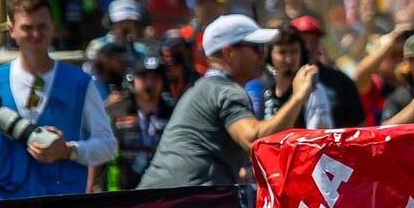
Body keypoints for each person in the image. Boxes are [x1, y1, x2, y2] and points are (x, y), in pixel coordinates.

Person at [0, 1, 118, 201]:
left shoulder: (80, 84)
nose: (36, 34)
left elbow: (108, 146)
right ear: (12, 30)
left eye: (42, 26)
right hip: (4, 207)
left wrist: (68, 150)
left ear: (53, 27)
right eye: (27, 27)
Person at [139, 15, 318, 189]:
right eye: (256, 48)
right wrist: (298, 97)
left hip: (162, 202)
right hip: (180, 204)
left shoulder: (204, 87)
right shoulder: (226, 90)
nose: (263, 54)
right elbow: (255, 141)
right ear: (229, 52)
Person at [285, 13, 367, 126]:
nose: (308, 47)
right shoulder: (281, 84)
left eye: (313, 41)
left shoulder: (340, 81)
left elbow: (359, 125)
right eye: (303, 41)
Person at [250, 27, 337, 130]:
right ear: (269, 55)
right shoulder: (267, 90)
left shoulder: (311, 89)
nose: (289, 59)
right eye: (282, 52)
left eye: (294, 52)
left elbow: (319, 134)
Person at [108, 57, 171, 193]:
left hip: (162, 192)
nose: (149, 83)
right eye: (143, 77)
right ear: (133, 79)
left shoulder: (174, 114)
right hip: (122, 193)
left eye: (155, 78)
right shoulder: (116, 113)